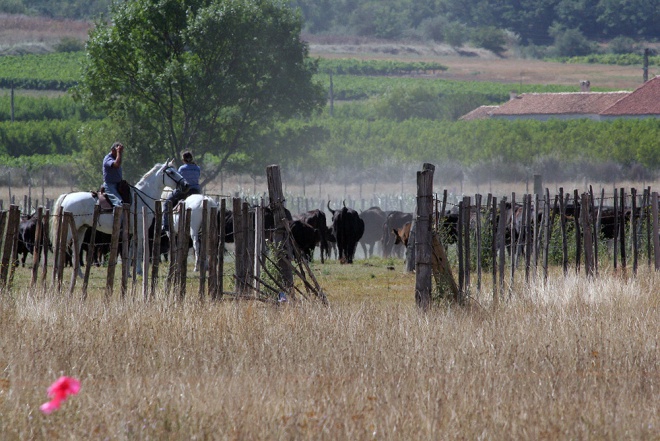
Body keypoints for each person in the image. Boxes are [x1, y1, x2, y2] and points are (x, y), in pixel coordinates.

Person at [162, 150, 202, 231]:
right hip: (196, 191)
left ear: (183, 160)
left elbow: (179, 179)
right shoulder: (197, 168)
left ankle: (165, 225)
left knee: (166, 203)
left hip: (184, 191)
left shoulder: (182, 168)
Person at [102, 142, 124, 207]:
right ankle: (116, 217)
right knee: (118, 204)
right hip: (110, 185)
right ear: (112, 150)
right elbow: (116, 165)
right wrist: (119, 152)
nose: (120, 153)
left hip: (119, 184)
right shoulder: (107, 158)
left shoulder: (116, 158)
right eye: (117, 151)